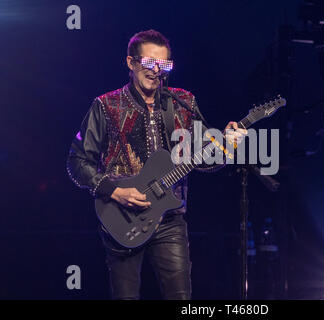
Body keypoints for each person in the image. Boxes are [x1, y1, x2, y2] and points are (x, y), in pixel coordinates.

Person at [66, 29, 246, 300]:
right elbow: (77, 161)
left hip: (171, 219)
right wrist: (114, 191)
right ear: (131, 63)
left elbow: (204, 160)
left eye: (163, 65)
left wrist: (228, 146)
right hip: (121, 216)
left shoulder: (183, 102)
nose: (155, 71)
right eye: (149, 63)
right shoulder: (105, 106)